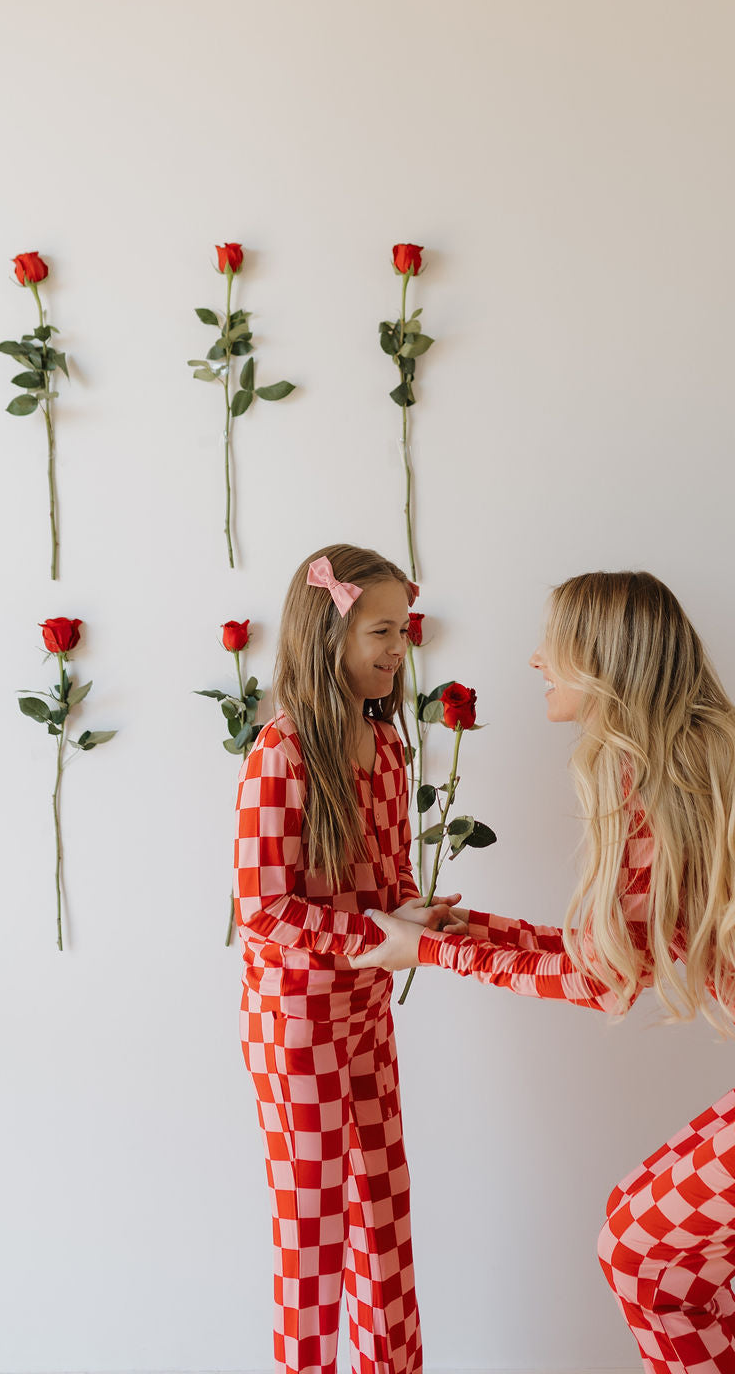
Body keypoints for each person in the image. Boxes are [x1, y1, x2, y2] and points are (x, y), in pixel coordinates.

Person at [350, 570, 735, 1374]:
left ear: (603, 661)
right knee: (639, 1239)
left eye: (557, 644)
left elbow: (599, 984)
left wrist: (430, 950)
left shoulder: (658, 786)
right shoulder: (713, 761)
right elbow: (613, 952)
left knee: (645, 1258)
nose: (536, 659)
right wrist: (469, 927)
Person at [234, 544, 458, 1374]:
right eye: (382, 631)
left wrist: (415, 917)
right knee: (314, 1247)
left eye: (405, 630)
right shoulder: (282, 752)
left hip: (362, 1020)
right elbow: (261, 908)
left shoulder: (391, 754)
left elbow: (387, 888)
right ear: (328, 635)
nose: (399, 649)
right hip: (295, 1032)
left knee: (385, 1231)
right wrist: (375, 937)